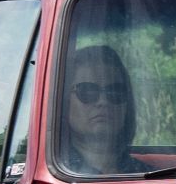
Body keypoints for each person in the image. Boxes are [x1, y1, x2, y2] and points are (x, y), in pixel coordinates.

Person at [60, 43, 153, 174]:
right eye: (87, 91)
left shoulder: (151, 177)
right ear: (64, 102)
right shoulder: (50, 177)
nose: (103, 101)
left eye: (114, 92)